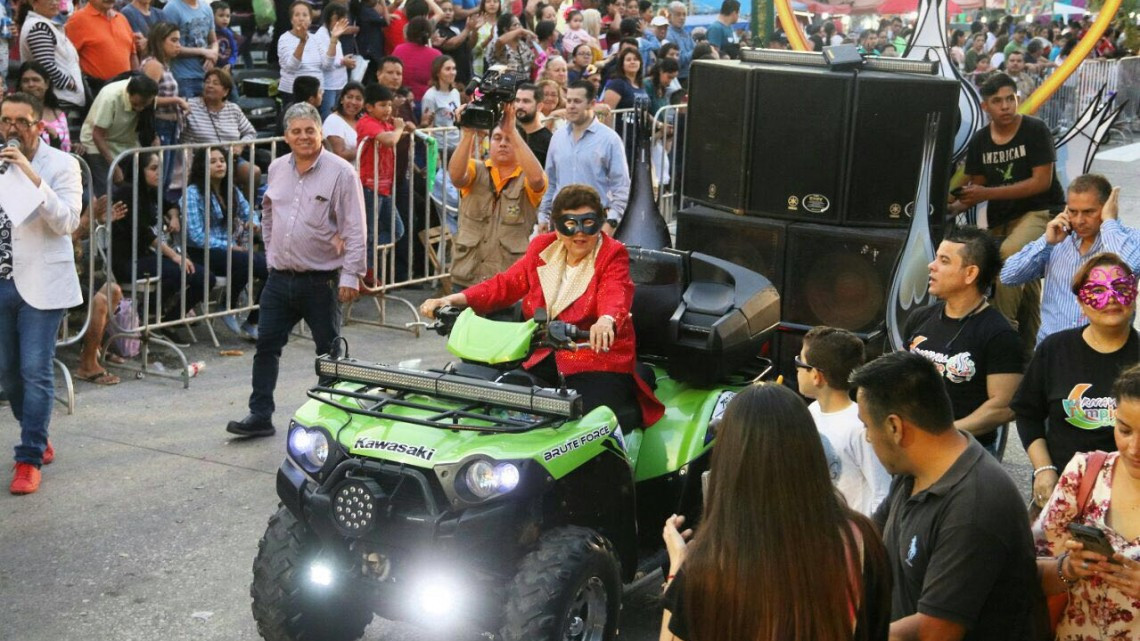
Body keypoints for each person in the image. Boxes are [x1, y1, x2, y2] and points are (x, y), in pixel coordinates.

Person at [420, 184, 664, 431]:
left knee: (580, 421)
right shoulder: (542, 247)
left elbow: (616, 291)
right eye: (570, 224)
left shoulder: (612, 253)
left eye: (588, 222)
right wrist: (452, 300)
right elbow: (505, 285)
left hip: (595, 360)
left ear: (599, 222)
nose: (579, 233)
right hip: (543, 354)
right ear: (556, 225)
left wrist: (606, 320)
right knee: (492, 392)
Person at [660, 382, 892, 641]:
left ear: (729, 463)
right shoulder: (860, 541)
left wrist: (677, 567)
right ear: (810, 451)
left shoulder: (707, 567)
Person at [850, 351, 1046, 640]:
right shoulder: (913, 471)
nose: (867, 438)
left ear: (894, 427)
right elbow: (870, 544)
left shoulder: (973, 507)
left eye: (867, 426)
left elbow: (936, 632)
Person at [226, 102, 366, 439]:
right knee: (266, 347)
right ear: (286, 136)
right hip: (279, 278)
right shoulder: (276, 168)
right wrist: (272, 255)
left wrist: (351, 275)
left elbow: (355, 228)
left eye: (310, 130)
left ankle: (332, 418)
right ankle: (259, 415)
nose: (303, 137)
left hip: (322, 281)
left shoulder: (342, 172)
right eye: (296, 131)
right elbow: (269, 211)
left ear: (320, 132)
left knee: (329, 352)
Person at [0, 92, 84, 495]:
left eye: (20, 121)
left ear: (38, 126)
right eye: (5, 120)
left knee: (35, 370)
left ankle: (28, 456)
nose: (11, 128)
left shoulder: (61, 165)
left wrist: (32, 179)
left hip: (42, 286)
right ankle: (37, 430)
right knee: (9, 375)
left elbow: (67, 222)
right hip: (2, 282)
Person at [1013, 252, 1139, 509]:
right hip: (1061, 489)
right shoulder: (1055, 349)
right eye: (1097, 290)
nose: (1111, 299)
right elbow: (1027, 413)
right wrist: (1044, 469)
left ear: (1134, 294)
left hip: (1129, 496)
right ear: (1081, 302)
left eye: (1120, 288)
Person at [953, 73, 1065, 355]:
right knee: (1025, 290)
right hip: (1002, 220)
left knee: (1012, 257)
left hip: (1042, 211)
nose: (1005, 106)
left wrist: (986, 194)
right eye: (997, 101)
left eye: (1010, 99)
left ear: (1018, 99)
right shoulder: (980, 140)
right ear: (985, 107)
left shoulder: (1035, 129)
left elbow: (1042, 182)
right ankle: (1030, 358)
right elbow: (975, 186)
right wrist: (952, 207)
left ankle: (1001, 332)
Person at [1033, 364, 1140, 639]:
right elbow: (1033, 563)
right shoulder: (1084, 473)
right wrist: (1068, 567)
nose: (1133, 448)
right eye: (1125, 430)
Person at [903, 226, 1024, 459]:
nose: (932, 266)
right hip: (912, 448)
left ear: (970, 274)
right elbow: (897, 374)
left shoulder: (999, 334)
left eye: (944, 261)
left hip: (965, 455)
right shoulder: (920, 318)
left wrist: (947, 433)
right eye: (936, 258)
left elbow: (1003, 406)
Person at [1001, 175, 1140, 343]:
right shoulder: (1058, 239)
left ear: (1106, 207)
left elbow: (1130, 266)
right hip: (1053, 351)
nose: (1080, 220)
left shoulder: (1130, 239)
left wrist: (1109, 222)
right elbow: (1008, 276)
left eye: (1089, 212)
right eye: (1073, 212)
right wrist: (1046, 242)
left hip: (1104, 350)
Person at [108, 151, 212, 345]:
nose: (159, 173)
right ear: (140, 170)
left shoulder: (150, 190)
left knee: (205, 277)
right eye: (153, 168)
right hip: (129, 260)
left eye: (161, 169)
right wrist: (174, 256)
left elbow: (170, 204)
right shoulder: (128, 192)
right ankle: (154, 317)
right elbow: (142, 233)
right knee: (189, 273)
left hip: (149, 257)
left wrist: (173, 216)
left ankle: (165, 320)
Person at [447, 103, 545, 289]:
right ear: (489, 143)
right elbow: (456, 176)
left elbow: (538, 180)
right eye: (497, 138)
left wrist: (513, 131)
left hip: (507, 283)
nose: (502, 143)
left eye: (509, 140)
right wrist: (468, 133)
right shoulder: (476, 169)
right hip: (467, 277)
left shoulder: (527, 177)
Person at [797, 326, 890, 517]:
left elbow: (882, 492)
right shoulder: (811, 412)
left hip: (851, 537)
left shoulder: (860, 427)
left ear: (816, 376)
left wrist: (867, 539)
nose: (797, 368)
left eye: (800, 361)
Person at [183, 147, 265, 340]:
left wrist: (254, 222)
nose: (219, 164)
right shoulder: (193, 193)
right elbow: (197, 236)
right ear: (202, 167)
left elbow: (249, 210)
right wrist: (228, 246)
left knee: (271, 268)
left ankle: (253, 321)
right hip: (203, 251)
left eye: (222, 160)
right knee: (251, 261)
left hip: (230, 250)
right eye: (212, 161)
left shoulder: (231, 189)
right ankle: (229, 304)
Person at [539, 80, 629, 233]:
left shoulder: (609, 139)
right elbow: (550, 181)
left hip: (594, 223)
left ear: (592, 104)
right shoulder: (557, 137)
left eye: (577, 101)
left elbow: (621, 186)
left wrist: (611, 223)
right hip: (561, 222)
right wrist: (543, 216)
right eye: (569, 101)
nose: (571, 106)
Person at [356, 83, 408, 284]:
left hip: (384, 187)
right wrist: (400, 129)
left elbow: (394, 134)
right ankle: (364, 271)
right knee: (368, 232)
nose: (388, 109)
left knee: (397, 230)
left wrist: (404, 128)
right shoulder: (367, 122)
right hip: (369, 186)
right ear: (369, 107)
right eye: (383, 105)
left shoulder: (385, 123)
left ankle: (362, 258)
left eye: (389, 105)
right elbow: (389, 140)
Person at [181, 68, 261, 194]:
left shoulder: (233, 109)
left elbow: (251, 133)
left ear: (225, 91)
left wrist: (240, 145)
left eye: (215, 83)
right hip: (201, 159)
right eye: (207, 82)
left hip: (230, 158)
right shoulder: (190, 105)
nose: (210, 86)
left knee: (253, 172)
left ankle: (245, 209)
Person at [80, 75, 160, 197]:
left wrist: (154, 137)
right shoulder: (110, 96)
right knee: (108, 192)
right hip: (98, 143)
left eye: (144, 105)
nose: (139, 108)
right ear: (128, 93)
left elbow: (147, 123)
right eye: (136, 104)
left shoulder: (150, 97)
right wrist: (115, 166)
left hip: (128, 143)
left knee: (136, 190)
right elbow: (97, 134)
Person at [142, 22, 189, 186]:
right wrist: (177, 100)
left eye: (179, 41)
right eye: (174, 40)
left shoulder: (165, 65)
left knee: (166, 177)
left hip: (171, 125)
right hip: (159, 124)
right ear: (160, 41)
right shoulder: (153, 65)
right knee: (160, 177)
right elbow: (145, 99)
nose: (178, 45)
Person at [19, 0, 86, 110]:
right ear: (34, 3)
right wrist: (70, 84)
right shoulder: (39, 27)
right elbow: (45, 65)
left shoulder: (44, 24)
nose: (55, 2)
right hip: (58, 99)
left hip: (62, 98)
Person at [65, 0, 139, 97]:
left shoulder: (121, 19)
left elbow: (132, 55)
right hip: (96, 92)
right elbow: (68, 59)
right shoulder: (78, 20)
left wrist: (137, 81)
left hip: (125, 91)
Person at [276, 0, 345, 105]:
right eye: (297, 15)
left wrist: (334, 39)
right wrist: (302, 42)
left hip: (316, 94)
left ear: (310, 19)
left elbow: (327, 65)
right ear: (291, 20)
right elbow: (291, 66)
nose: (301, 18)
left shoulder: (315, 38)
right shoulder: (285, 39)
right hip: (294, 94)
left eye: (305, 15)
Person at [18, 62, 80, 154]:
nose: (31, 84)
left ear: (46, 84)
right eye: (25, 81)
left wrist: (74, 147)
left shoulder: (58, 113)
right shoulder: (15, 113)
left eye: (36, 80)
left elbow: (65, 146)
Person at [163, 0, 219, 98]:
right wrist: (202, 51)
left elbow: (214, 41)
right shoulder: (172, 8)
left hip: (206, 77)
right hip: (183, 77)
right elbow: (167, 46)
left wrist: (213, 54)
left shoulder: (206, 8)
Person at [420, 55, 461, 152]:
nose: (452, 72)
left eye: (454, 69)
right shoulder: (430, 96)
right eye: (447, 69)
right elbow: (428, 127)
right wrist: (433, 154)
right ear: (438, 73)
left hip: (457, 145)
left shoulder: (455, 92)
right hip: (441, 148)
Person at [432, 0, 479, 85]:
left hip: (466, 75)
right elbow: (451, 44)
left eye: (450, 10)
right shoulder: (436, 29)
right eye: (444, 10)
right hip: (450, 77)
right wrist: (467, 29)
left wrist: (475, 30)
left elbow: (470, 45)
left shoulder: (456, 29)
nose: (448, 13)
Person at [323, 81, 365, 162]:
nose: (353, 102)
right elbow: (340, 154)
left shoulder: (362, 120)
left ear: (363, 104)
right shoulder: (334, 120)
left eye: (358, 99)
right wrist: (365, 149)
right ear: (342, 99)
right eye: (349, 97)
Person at [488, 12, 537, 77]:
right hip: (501, 84)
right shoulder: (496, 43)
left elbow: (534, 65)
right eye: (515, 25)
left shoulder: (522, 45)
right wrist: (520, 31)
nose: (520, 28)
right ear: (505, 29)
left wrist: (536, 45)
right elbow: (500, 41)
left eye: (520, 25)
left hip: (523, 84)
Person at [514, 82, 552, 166]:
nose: (520, 106)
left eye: (526, 101)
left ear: (539, 106)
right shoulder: (509, 134)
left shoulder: (549, 141)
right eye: (517, 100)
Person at [665, 2, 694, 85]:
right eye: (678, 14)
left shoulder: (686, 33)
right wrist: (696, 51)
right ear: (670, 16)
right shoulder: (669, 35)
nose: (682, 18)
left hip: (690, 75)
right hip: (678, 79)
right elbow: (678, 61)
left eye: (684, 14)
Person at [212, 1, 238, 74]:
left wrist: (230, 63)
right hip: (212, 69)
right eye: (221, 15)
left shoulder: (229, 33)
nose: (225, 19)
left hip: (225, 69)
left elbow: (234, 51)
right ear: (211, 16)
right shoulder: (209, 32)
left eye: (228, 16)